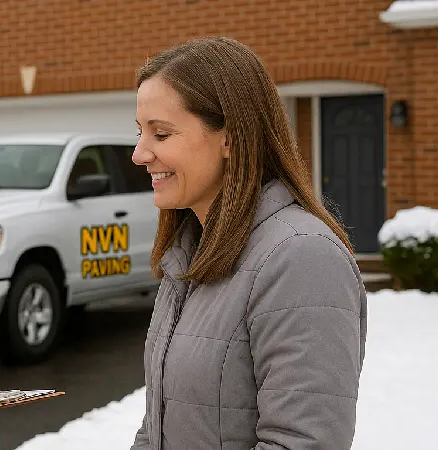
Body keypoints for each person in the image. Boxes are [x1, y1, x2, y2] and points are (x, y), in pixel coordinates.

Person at [130, 37, 367, 450]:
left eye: (162, 134)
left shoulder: (301, 258)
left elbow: (304, 442)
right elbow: (159, 426)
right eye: (140, 132)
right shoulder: (189, 255)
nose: (138, 154)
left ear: (229, 138)